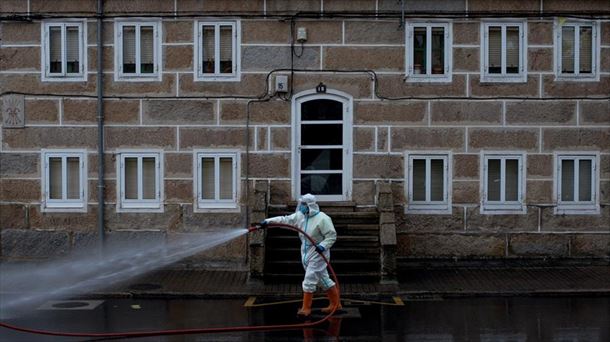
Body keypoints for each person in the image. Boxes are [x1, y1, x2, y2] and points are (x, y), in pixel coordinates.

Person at [261, 193, 341, 317]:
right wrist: (268, 222)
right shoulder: (301, 217)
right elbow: (285, 220)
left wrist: (323, 246)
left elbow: (331, 236)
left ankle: (306, 309)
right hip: (306, 252)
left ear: (310, 205)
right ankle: (336, 305)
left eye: (304, 204)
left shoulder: (323, 218)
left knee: (309, 279)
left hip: (318, 253)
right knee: (323, 279)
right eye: (301, 204)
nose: (301, 207)